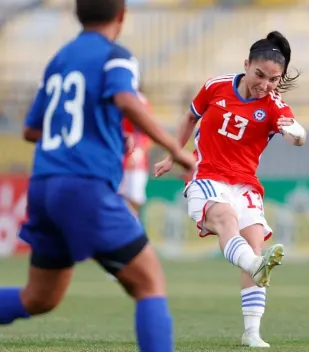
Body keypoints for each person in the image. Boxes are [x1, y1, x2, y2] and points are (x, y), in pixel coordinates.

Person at [0, 1, 195, 352]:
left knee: (39, 297)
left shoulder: (60, 59)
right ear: (121, 16)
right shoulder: (116, 55)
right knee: (149, 283)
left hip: (44, 186)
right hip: (83, 186)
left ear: (78, 15)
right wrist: (176, 149)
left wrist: (96, 134)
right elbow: (125, 99)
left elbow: (31, 130)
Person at [154, 31, 307, 348]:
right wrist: (173, 156)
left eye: (273, 79)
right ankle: (255, 265)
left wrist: (296, 134)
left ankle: (252, 333)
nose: (264, 84)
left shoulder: (275, 106)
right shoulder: (215, 86)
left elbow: (293, 134)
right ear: (247, 65)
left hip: (246, 184)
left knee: (253, 244)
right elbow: (189, 117)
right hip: (206, 173)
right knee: (226, 221)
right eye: (259, 75)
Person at [119, 90, 153, 215]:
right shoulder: (114, 95)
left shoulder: (140, 101)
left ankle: (130, 232)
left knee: (132, 201)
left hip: (134, 162)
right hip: (117, 159)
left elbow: (146, 132)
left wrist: (137, 154)